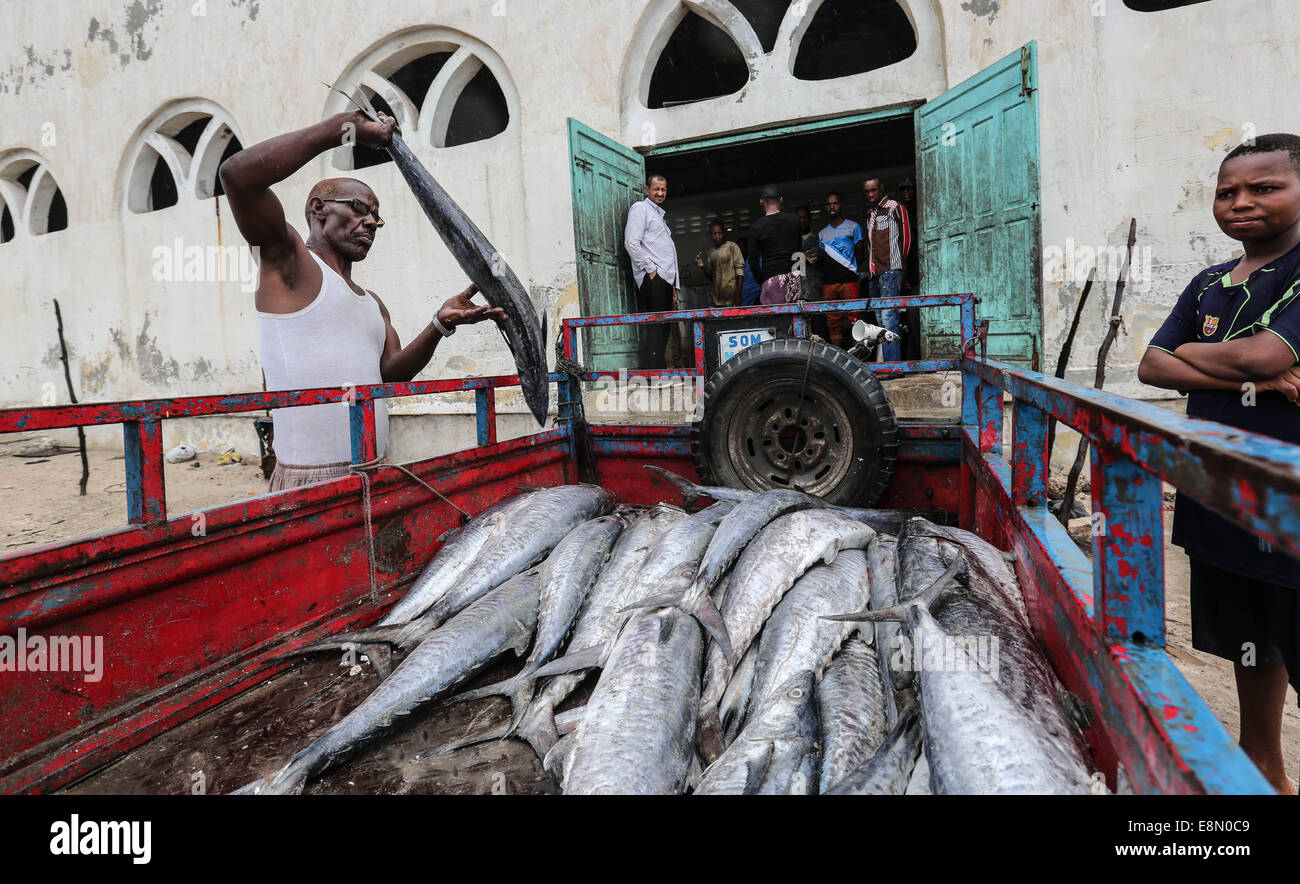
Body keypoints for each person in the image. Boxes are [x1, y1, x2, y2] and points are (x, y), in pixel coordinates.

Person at [218, 109, 505, 492]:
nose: (370, 222)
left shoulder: (372, 302)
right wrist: (340, 130)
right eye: (358, 208)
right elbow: (236, 176)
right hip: (312, 483)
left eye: (376, 218)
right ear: (318, 209)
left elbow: (389, 376)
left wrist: (439, 325)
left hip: (377, 470)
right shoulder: (288, 263)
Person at [1138, 132, 1300, 795]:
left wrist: (1210, 363)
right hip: (1221, 492)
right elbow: (1151, 363)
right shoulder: (1208, 281)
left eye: (1265, 188)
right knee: (1250, 637)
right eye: (1227, 192)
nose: (1242, 202)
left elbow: (1263, 356)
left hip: (1289, 495)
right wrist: (1250, 377)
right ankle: (1265, 766)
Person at [624, 174, 680, 368]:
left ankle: (658, 370)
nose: (660, 193)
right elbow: (631, 242)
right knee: (657, 326)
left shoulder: (659, 216)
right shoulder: (640, 209)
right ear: (647, 190)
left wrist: (673, 284)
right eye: (656, 189)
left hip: (664, 278)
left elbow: (667, 252)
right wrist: (651, 270)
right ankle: (654, 372)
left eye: (663, 189)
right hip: (654, 278)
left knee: (663, 326)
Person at [862, 177, 912, 361]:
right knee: (880, 321)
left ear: (881, 188)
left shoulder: (895, 207)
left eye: (874, 190)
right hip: (874, 273)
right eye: (867, 192)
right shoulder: (870, 213)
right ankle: (885, 365)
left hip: (891, 269)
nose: (871, 194)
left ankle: (893, 366)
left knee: (890, 318)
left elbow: (906, 240)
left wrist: (900, 265)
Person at [817, 192, 865, 347]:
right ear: (826, 207)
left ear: (841, 205)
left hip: (849, 280)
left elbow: (860, 252)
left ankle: (858, 356)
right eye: (829, 204)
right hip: (829, 283)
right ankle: (837, 355)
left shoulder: (853, 226)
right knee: (833, 320)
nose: (832, 206)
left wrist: (847, 268)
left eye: (835, 203)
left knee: (854, 318)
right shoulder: (822, 234)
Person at [747, 185, 802, 305]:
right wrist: (798, 277)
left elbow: (753, 261)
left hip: (771, 281)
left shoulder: (756, 227)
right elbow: (799, 253)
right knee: (795, 320)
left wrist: (762, 282)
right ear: (781, 199)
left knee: (778, 321)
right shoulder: (795, 220)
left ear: (761, 202)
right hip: (794, 279)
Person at [898, 176, 922, 359]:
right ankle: (916, 356)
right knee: (912, 317)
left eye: (910, 189)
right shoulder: (901, 213)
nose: (907, 192)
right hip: (911, 272)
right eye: (903, 189)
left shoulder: (922, 209)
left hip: (925, 268)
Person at [795, 205, 827, 339]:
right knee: (800, 335)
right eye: (799, 218)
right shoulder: (791, 240)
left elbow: (816, 257)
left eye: (805, 218)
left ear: (809, 219)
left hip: (815, 293)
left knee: (819, 332)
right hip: (796, 295)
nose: (802, 221)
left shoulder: (818, 238)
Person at [695, 220, 744, 306]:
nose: (717, 236)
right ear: (711, 235)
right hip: (716, 300)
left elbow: (740, 273)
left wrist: (738, 297)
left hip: (731, 299)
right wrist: (702, 266)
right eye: (714, 234)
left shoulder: (732, 247)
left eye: (720, 233)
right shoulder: (710, 253)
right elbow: (711, 277)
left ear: (723, 233)